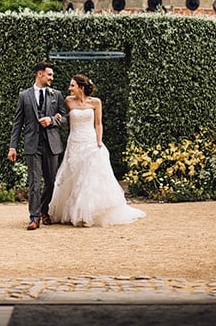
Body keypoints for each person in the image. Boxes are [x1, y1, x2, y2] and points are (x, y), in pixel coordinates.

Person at [48, 74, 146, 227]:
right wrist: (58, 117)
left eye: (72, 85)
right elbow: (63, 118)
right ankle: (73, 211)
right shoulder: (68, 101)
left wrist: (99, 141)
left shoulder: (96, 102)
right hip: (74, 143)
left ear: (81, 87)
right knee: (75, 177)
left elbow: (98, 124)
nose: (69, 88)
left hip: (90, 142)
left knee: (89, 178)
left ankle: (86, 214)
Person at [8, 61, 68, 230]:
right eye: (49, 74)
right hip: (32, 145)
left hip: (52, 145)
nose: (52, 78)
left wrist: (52, 120)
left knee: (51, 182)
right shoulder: (24, 96)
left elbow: (65, 119)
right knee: (34, 182)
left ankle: (43, 210)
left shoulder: (56, 94)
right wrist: (13, 147)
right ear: (39, 74)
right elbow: (17, 123)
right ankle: (34, 218)